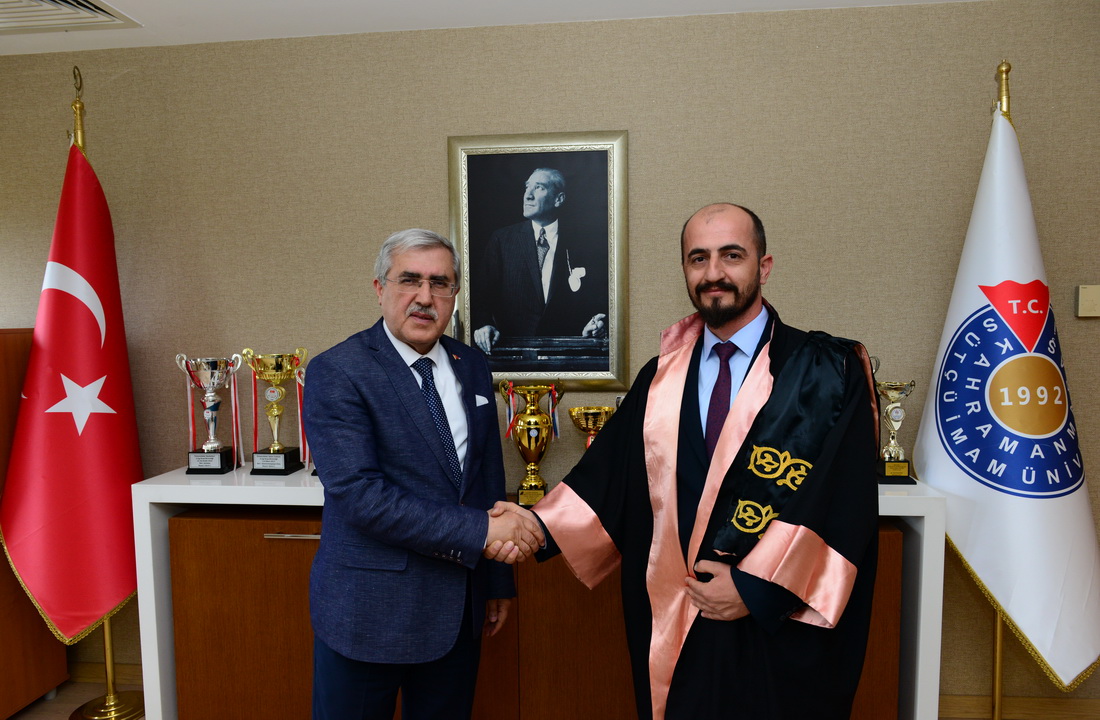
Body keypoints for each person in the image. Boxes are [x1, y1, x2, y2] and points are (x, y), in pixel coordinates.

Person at [491, 203, 880, 719]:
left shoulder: (826, 372)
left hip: (775, 628)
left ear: (764, 267)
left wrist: (754, 590)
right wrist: (535, 526)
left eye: (731, 255)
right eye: (699, 258)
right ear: (685, 270)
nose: (713, 272)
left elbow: (843, 497)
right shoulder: (660, 378)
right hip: (678, 617)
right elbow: (608, 479)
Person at [304, 228, 544, 720]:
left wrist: (496, 582)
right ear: (380, 288)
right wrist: (483, 533)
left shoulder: (471, 364)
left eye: (440, 283)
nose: (424, 297)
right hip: (368, 613)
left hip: (457, 610)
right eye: (409, 280)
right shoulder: (338, 371)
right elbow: (362, 496)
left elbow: (485, 476)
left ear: (454, 294)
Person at [472, 167, 608, 354]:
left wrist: (592, 325)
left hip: (567, 353)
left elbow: (595, 300)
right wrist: (484, 325)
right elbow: (481, 298)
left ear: (558, 199)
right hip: (512, 353)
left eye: (539, 188)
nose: (528, 195)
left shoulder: (584, 243)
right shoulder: (502, 240)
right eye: (527, 187)